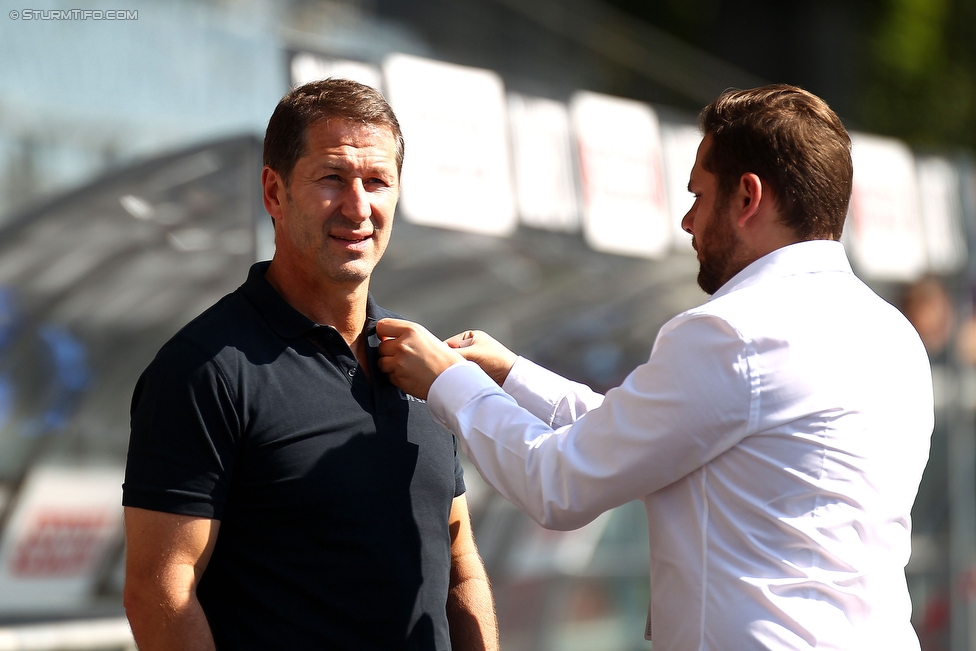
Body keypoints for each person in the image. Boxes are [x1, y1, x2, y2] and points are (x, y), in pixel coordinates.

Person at [376, 85, 934, 650]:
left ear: (747, 197)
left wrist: (447, 379)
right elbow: (655, 432)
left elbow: (560, 483)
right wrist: (512, 374)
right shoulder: (894, 335)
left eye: (697, 195)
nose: (689, 222)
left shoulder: (732, 332)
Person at [122, 78, 498, 651]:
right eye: (332, 178)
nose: (358, 206)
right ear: (274, 192)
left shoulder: (422, 363)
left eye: (377, 181)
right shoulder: (205, 371)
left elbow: (459, 563)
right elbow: (159, 592)